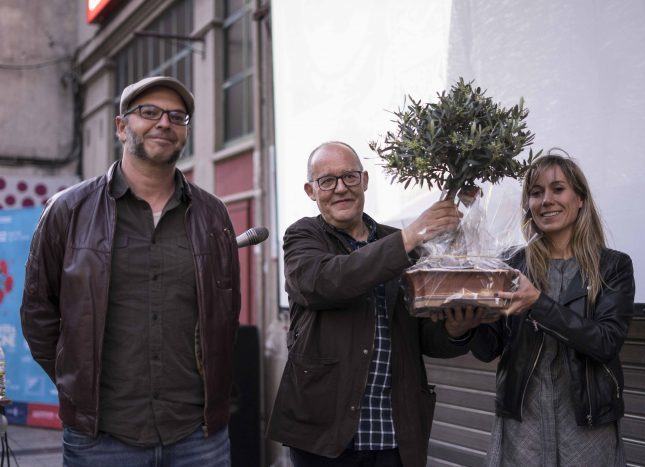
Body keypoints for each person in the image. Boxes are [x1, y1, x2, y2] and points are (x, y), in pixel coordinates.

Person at [21, 76, 240, 466]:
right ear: (122, 127)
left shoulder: (212, 214)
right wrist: (77, 384)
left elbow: (224, 313)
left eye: (177, 116)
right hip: (101, 438)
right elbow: (39, 314)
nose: (164, 123)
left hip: (197, 436)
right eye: (149, 112)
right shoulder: (68, 211)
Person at [267, 141, 486, 467]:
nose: (340, 188)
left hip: (393, 436)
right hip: (324, 436)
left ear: (365, 180)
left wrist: (454, 330)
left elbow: (421, 338)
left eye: (350, 177)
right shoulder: (303, 237)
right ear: (311, 191)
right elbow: (327, 281)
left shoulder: (397, 242)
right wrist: (411, 236)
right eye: (327, 181)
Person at [468, 153, 635, 466]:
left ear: (580, 199)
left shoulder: (613, 266)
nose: (546, 200)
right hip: (523, 425)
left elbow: (606, 341)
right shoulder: (510, 264)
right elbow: (488, 349)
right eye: (535, 192)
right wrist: (467, 321)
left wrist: (538, 304)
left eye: (558, 189)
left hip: (586, 428)